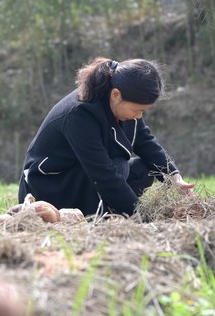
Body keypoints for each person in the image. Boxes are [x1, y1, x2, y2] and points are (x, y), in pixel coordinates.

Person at [19, 57, 194, 216]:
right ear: (116, 95)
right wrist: (140, 216)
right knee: (119, 166)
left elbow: (145, 141)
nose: (139, 116)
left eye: (143, 111)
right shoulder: (79, 114)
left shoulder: (122, 102)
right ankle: (105, 213)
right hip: (50, 185)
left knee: (143, 169)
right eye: (136, 110)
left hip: (86, 176)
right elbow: (103, 174)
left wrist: (174, 176)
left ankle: (110, 211)